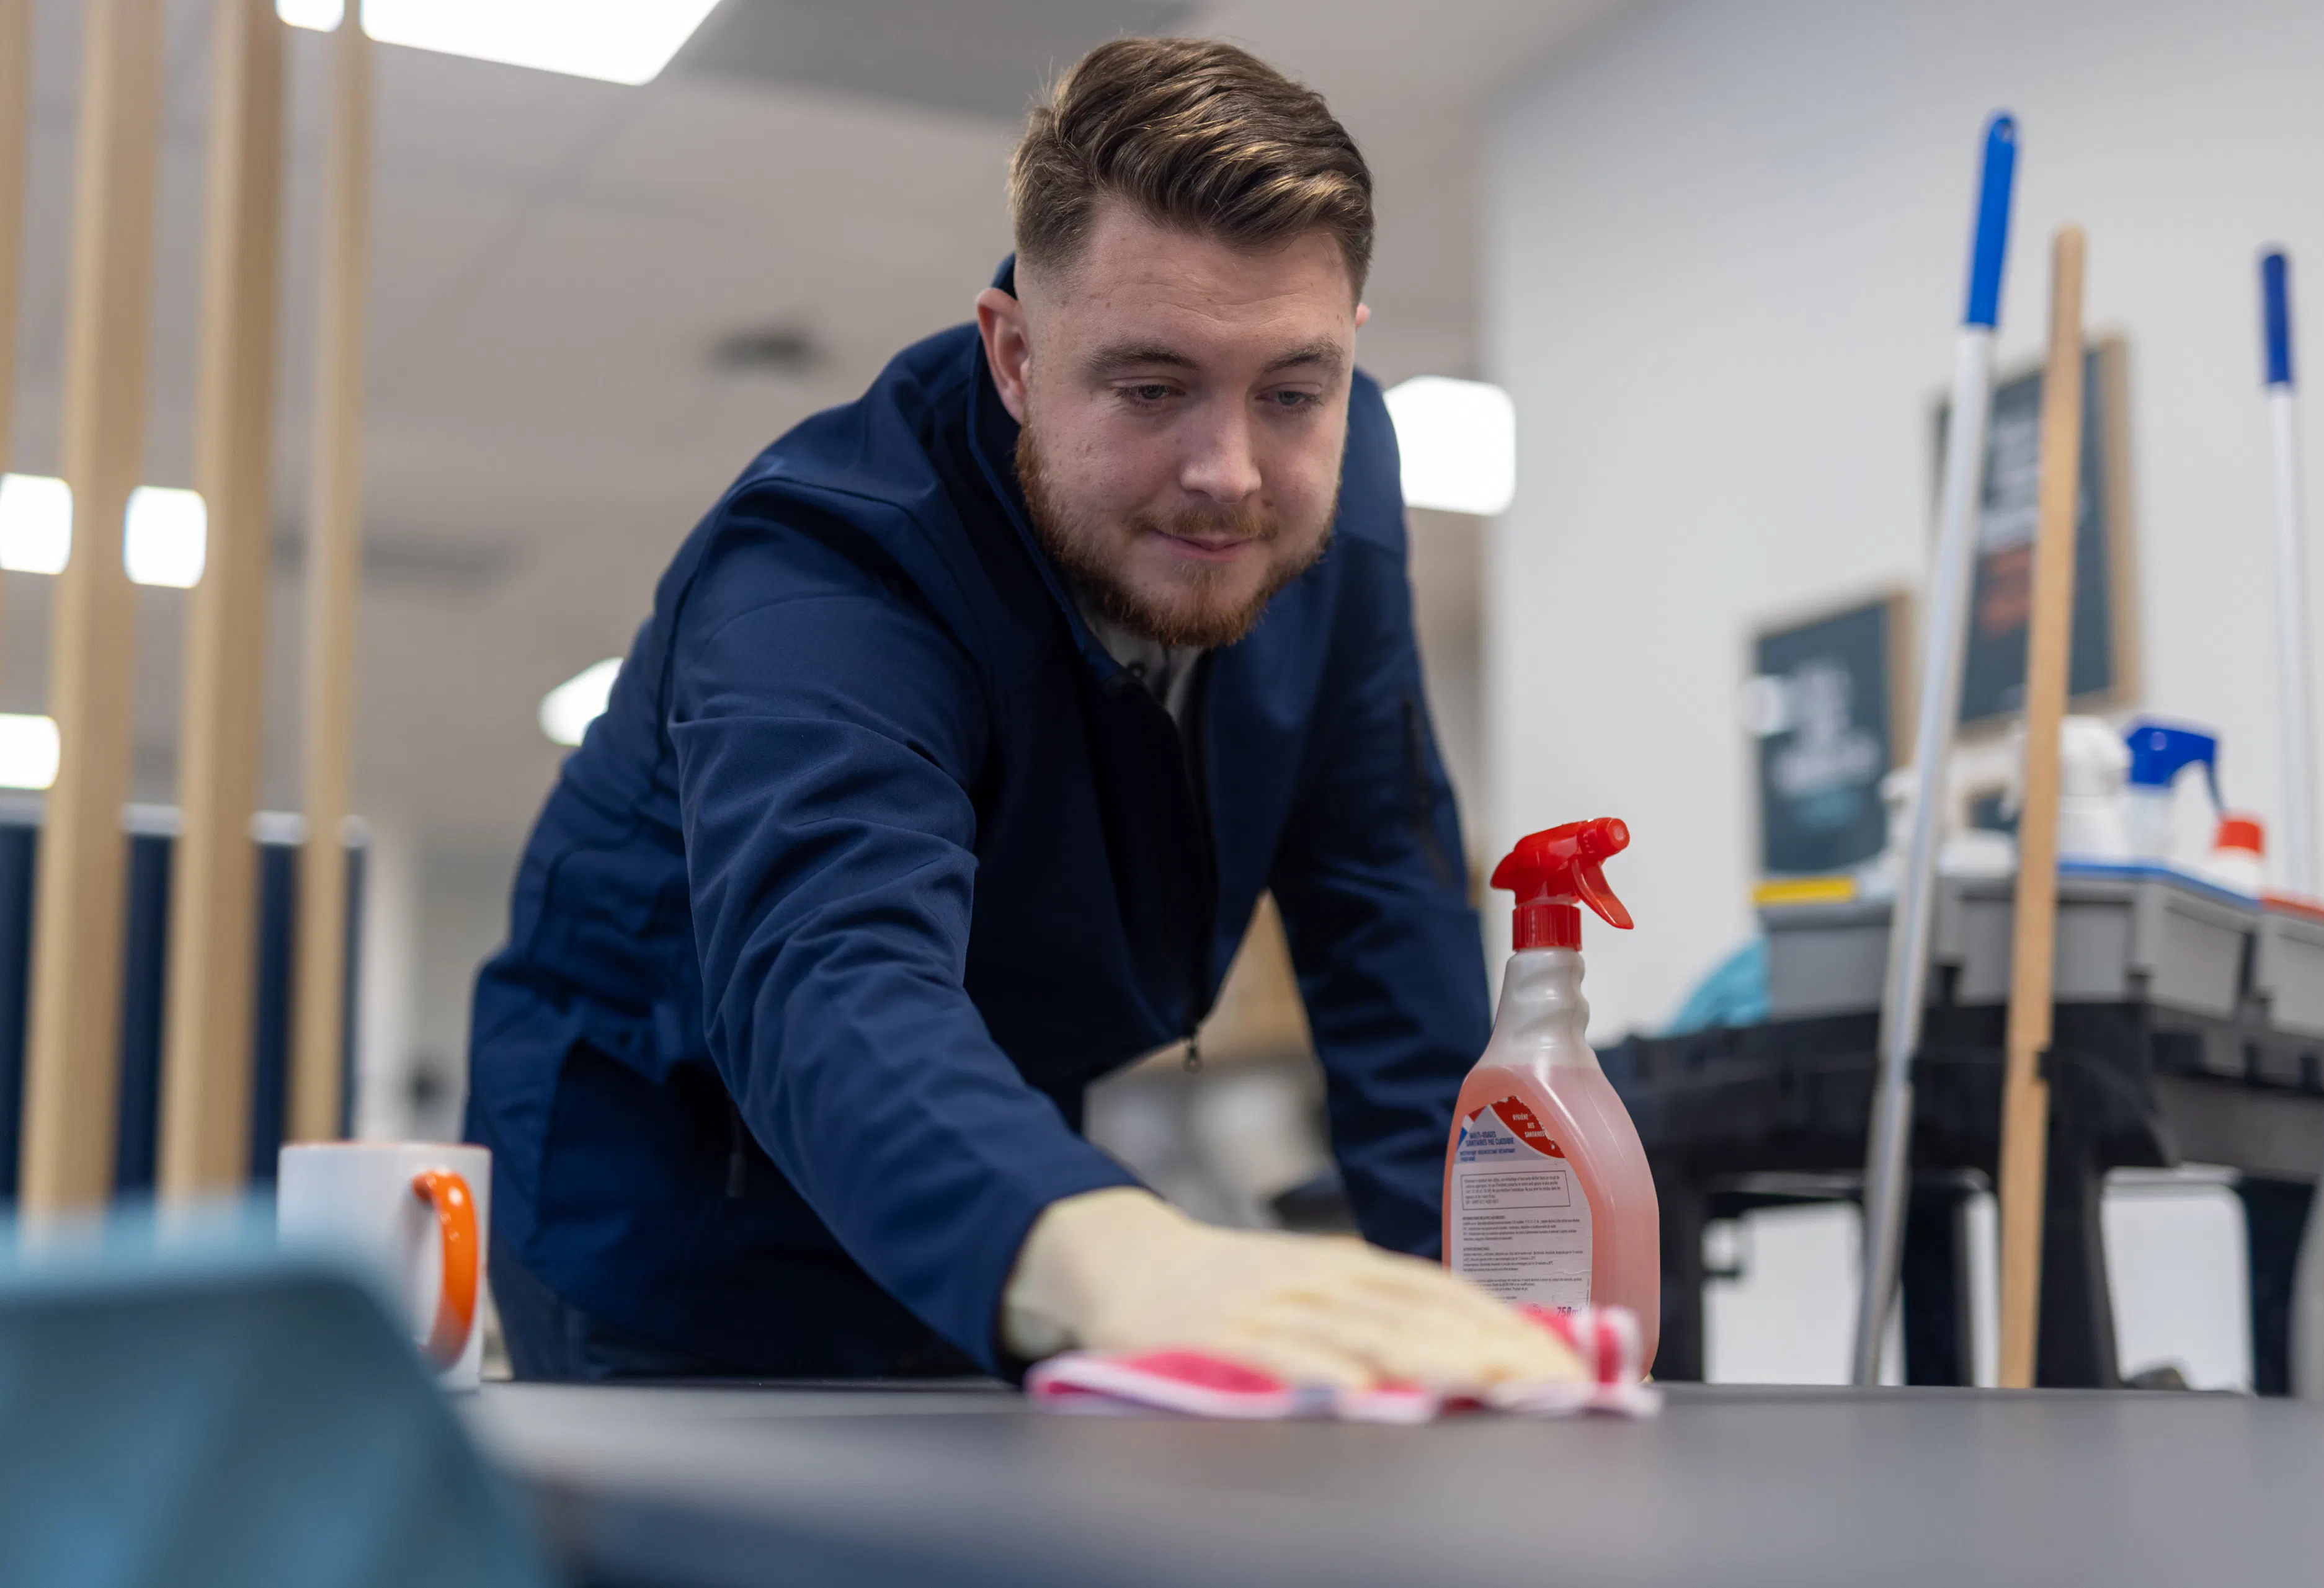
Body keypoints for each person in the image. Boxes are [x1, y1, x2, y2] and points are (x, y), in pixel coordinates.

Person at [466, 35, 1581, 1390]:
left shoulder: (1341, 475)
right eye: (1153, 387)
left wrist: (1484, 1316)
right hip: (673, 1193)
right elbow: (832, 977)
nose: (1230, 471)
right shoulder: (824, 574)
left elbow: (1379, 900)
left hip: (991, 1127)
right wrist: (1125, 1257)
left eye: (1292, 391)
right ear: (1013, 355)